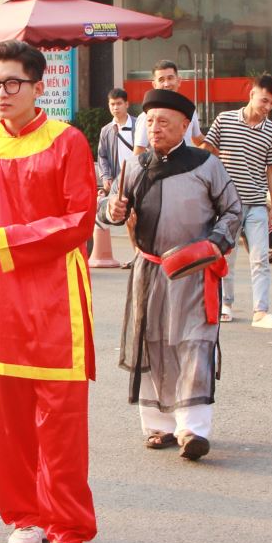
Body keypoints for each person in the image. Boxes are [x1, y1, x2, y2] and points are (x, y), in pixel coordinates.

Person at [0, 40, 98, 543]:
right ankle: (25, 517)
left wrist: (3, 242)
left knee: (60, 418)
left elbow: (78, 222)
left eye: (12, 83)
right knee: (8, 417)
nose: (1, 94)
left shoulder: (67, 142)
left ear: (38, 86)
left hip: (55, 297)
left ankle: (68, 528)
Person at [103, 88, 242, 460]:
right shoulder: (135, 166)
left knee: (194, 342)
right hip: (149, 271)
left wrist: (213, 244)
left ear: (185, 125)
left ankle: (192, 429)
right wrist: (113, 210)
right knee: (153, 342)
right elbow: (111, 212)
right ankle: (158, 426)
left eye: (163, 121)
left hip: (194, 271)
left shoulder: (206, 164)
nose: (154, 128)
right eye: (149, 121)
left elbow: (233, 211)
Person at [204, 75, 272, 329]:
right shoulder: (224, 120)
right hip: (227, 205)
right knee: (226, 256)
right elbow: (207, 151)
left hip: (257, 204)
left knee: (260, 258)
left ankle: (261, 311)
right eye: (264, 101)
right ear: (251, 94)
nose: (267, 107)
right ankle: (225, 303)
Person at [91, 87, 136, 270]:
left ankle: (142, 255)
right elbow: (101, 156)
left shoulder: (138, 125)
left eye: (119, 104)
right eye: (112, 104)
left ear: (127, 104)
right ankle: (137, 254)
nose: (116, 108)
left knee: (137, 217)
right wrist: (106, 176)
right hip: (119, 182)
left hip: (138, 178)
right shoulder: (106, 130)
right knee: (129, 219)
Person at [148, 60, 206, 147]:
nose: (166, 84)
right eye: (161, 80)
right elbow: (138, 152)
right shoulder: (148, 114)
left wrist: (217, 148)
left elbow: (198, 139)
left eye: (170, 78)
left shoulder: (188, 109)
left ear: (179, 81)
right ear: (154, 85)